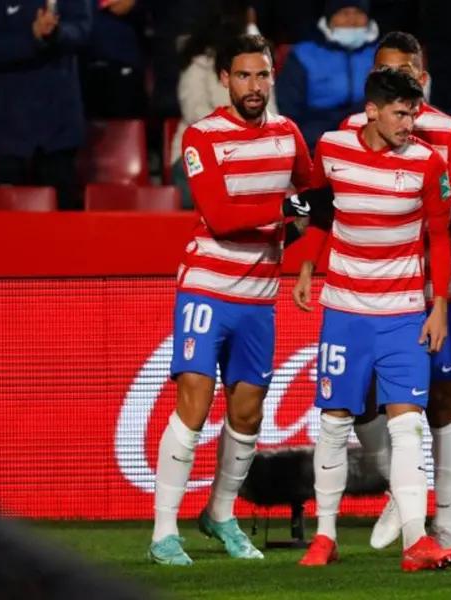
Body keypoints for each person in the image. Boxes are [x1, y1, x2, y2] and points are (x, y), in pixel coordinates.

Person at [148, 34, 316, 566]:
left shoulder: (288, 134)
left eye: (262, 75)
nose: (254, 85)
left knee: (247, 413)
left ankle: (220, 515)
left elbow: (315, 202)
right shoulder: (201, 137)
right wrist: (287, 209)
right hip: (207, 287)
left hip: (260, 296)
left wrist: (305, 251)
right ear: (225, 79)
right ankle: (163, 532)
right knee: (194, 403)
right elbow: (220, 217)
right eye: (243, 75)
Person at [323, 30, 451, 555]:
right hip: (369, 291)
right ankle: (402, 490)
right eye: (386, 71)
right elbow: (325, 202)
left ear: (423, 74)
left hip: (440, 285)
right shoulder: (344, 135)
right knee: (363, 402)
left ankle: (445, 523)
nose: (398, 79)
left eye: (406, 71)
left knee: (441, 402)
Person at [292, 67, 451, 572]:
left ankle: (416, 541)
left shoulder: (428, 163)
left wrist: (439, 306)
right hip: (345, 311)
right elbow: (323, 211)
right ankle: (325, 536)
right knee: (334, 422)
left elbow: (439, 238)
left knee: (408, 427)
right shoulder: (332, 148)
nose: (410, 123)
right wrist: (307, 265)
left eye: (414, 113)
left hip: (403, 314)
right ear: (371, 111)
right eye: (400, 113)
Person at [0, 0, 91, 210]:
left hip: (59, 126)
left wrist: (55, 32)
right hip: (8, 128)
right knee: (6, 224)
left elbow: (82, 29)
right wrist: (33, 36)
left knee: (60, 222)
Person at [171, 8, 278, 208]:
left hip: (249, 151)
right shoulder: (198, 63)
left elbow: (271, 114)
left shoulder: (256, 65)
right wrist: (238, 129)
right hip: (199, 151)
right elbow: (195, 112)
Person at [276, 0, 379, 152]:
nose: (352, 20)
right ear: (330, 18)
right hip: (316, 137)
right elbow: (289, 108)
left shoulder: (382, 53)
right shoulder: (303, 54)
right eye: (344, 13)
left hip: (370, 133)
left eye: (358, 13)